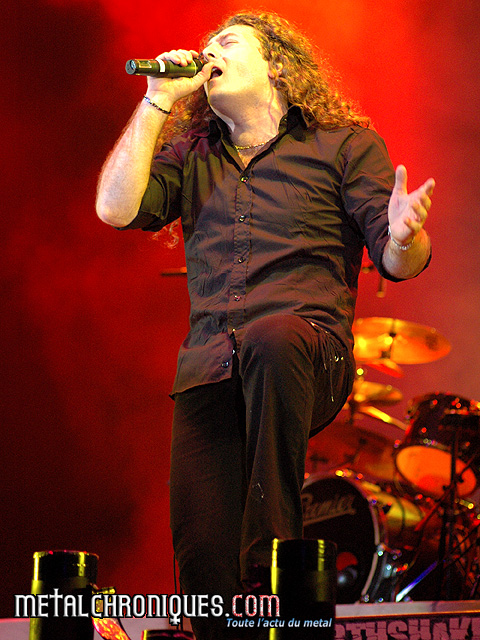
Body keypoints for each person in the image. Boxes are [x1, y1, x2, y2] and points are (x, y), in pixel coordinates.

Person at [96, 11, 434, 639]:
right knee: (201, 557)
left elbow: (398, 261)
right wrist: (156, 100)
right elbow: (115, 209)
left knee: (273, 337)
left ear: (278, 64)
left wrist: (406, 234)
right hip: (210, 366)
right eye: (206, 45)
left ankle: (268, 561)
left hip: (310, 352)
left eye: (227, 42)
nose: (209, 52)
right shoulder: (192, 153)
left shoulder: (344, 145)